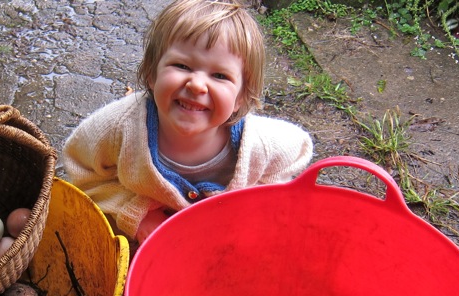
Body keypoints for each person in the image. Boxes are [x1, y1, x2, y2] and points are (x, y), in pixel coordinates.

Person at [62, 0, 313, 245]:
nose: (197, 84)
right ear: (151, 74)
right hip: (145, 245)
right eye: (182, 65)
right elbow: (82, 171)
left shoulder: (262, 143)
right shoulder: (117, 128)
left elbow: (297, 153)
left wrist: (249, 207)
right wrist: (137, 213)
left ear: (241, 98)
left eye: (219, 75)